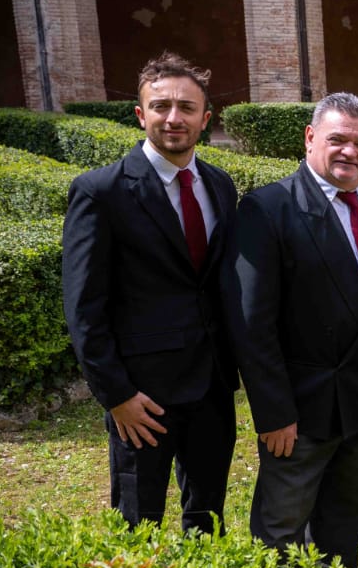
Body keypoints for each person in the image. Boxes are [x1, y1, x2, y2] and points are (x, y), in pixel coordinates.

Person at [61, 51, 237, 534]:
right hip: (142, 396)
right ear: (141, 115)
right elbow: (84, 308)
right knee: (139, 526)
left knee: (208, 519)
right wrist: (116, 395)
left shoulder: (220, 186)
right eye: (161, 106)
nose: (173, 118)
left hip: (212, 386)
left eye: (186, 107)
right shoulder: (101, 192)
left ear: (206, 118)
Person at [227, 93, 358, 568]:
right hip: (299, 412)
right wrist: (273, 413)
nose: (350, 152)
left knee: (343, 529)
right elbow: (252, 323)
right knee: (280, 535)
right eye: (338, 139)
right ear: (309, 138)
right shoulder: (268, 208)